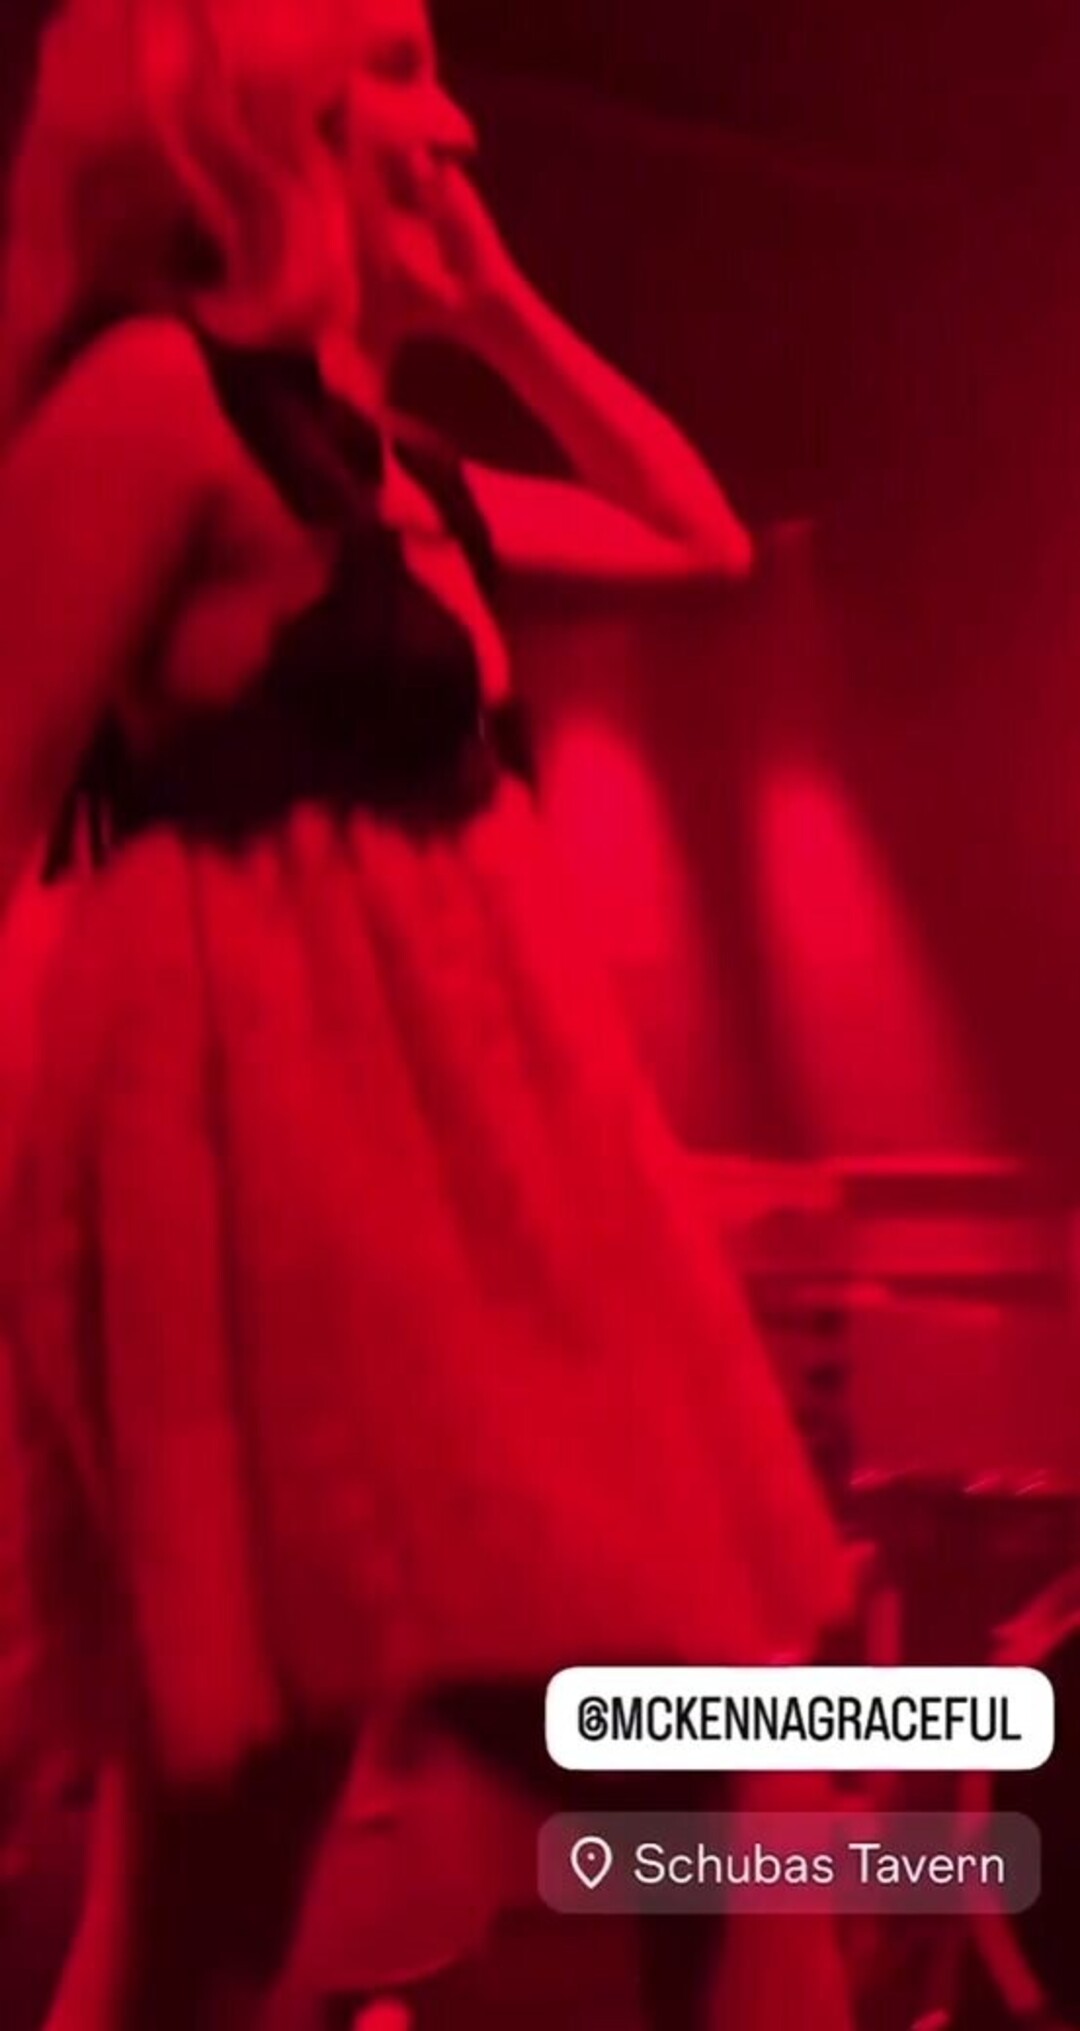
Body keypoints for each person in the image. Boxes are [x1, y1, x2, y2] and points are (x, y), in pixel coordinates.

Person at [0, 0, 854, 2025]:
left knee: (261, 1865)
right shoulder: (152, 404)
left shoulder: (400, 471)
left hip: (470, 1166)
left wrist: (500, 317)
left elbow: (694, 532)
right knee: (277, 1844)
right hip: (284, 1165)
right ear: (257, 122)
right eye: (391, 71)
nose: (451, 121)